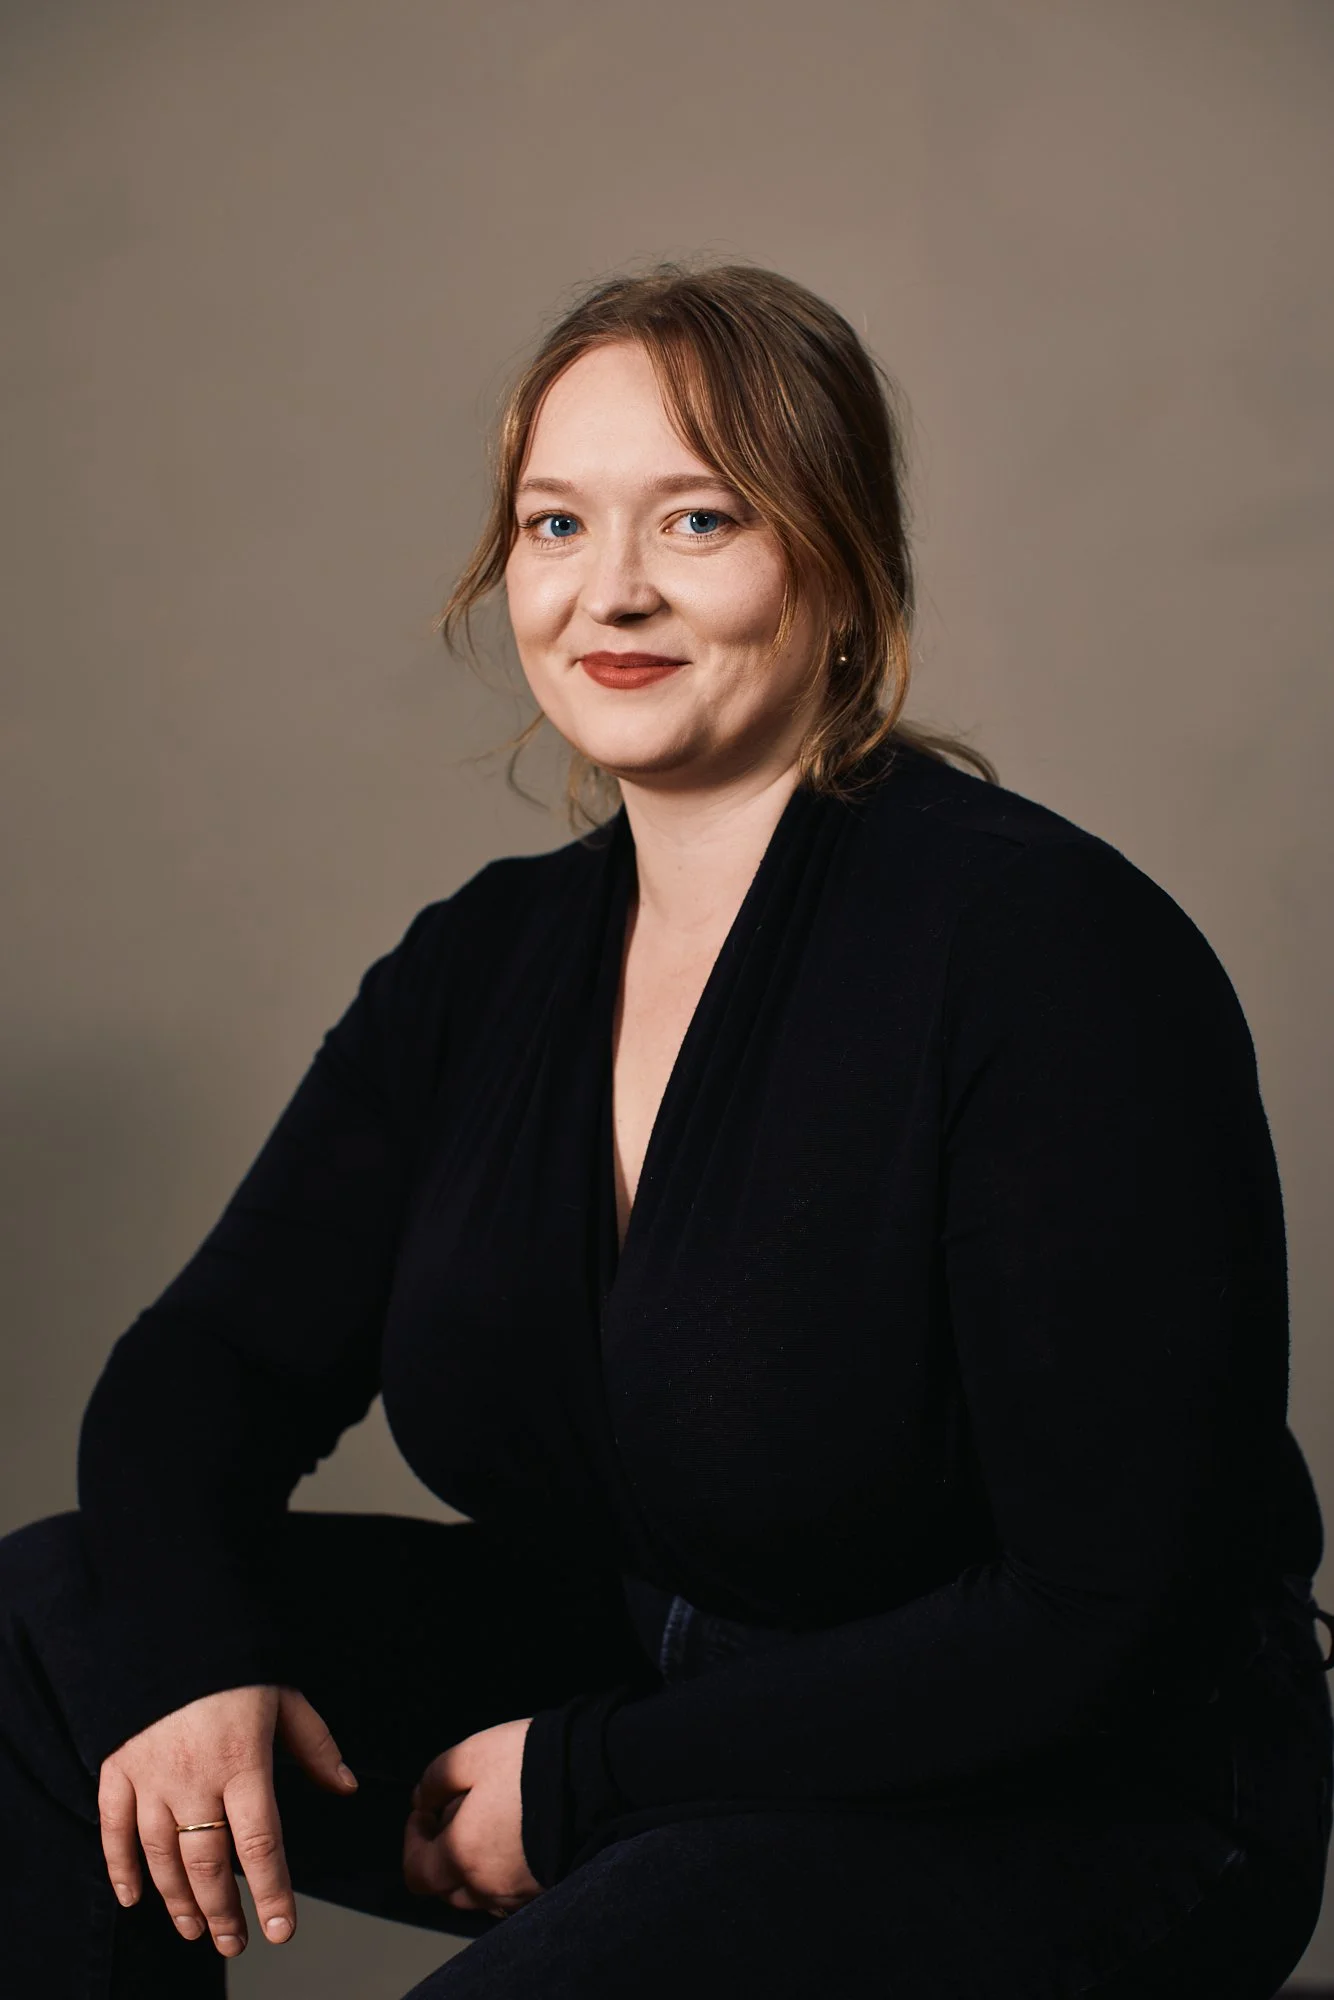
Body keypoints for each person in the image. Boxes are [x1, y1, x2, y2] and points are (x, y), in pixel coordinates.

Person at [1, 261, 1331, 2000]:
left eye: (698, 520)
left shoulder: (1043, 954)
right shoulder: (487, 959)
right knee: (63, 1623)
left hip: (1060, 1782)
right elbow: (206, 1368)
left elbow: (1094, 1616)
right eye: (556, 525)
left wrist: (585, 1779)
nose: (608, 589)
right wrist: (187, 1667)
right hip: (665, 1681)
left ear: (839, 570)